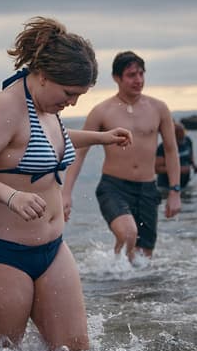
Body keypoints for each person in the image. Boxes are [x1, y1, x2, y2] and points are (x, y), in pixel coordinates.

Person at [0, 17, 131, 351]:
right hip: (0, 252)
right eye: (69, 93)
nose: (73, 103)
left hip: (52, 249)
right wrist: (12, 197)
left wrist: (101, 137)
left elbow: (47, 144)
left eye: (80, 95)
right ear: (44, 76)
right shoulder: (7, 106)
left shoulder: (46, 107)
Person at [63, 51, 181, 264]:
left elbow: (172, 151)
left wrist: (175, 191)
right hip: (113, 187)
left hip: (147, 188)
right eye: (131, 75)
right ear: (117, 78)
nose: (138, 80)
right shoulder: (102, 111)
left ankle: (129, 290)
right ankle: (115, 271)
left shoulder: (159, 108)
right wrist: (66, 193)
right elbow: (79, 153)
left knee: (144, 255)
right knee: (127, 233)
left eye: (141, 74)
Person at [155, 120, 197, 190]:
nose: (182, 140)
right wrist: (179, 170)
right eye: (179, 137)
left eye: (183, 133)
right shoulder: (163, 147)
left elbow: (190, 155)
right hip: (166, 186)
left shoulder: (187, 140)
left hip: (184, 184)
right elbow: (157, 169)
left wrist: (194, 164)